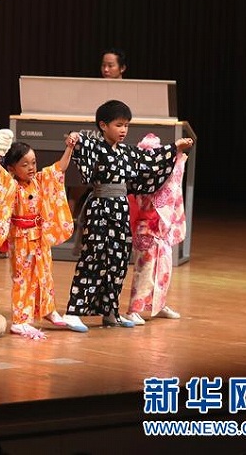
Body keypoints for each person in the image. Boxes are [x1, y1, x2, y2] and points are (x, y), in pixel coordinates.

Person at [62, 100, 193, 331]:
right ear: (103, 125)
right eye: (119, 125)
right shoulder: (97, 146)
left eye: (126, 125)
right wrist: (74, 137)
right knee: (94, 258)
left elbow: (151, 161)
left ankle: (110, 311)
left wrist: (175, 148)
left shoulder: (126, 152)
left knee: (118, 261)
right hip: (101, 209)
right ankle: (74, 311)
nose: (123, 130)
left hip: (120, 209)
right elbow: (82, 143)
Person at [0, 135, 79, 339]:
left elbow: (58, 169)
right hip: (21, 238)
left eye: (33, 162)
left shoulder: (40, 180)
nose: (31, 167)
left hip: (40, 236)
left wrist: (69, 148)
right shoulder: (11, 184)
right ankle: (20, 320)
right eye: (24, 164)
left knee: (45, 273)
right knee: (23, 278)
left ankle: (47, 310)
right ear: (12, 168)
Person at [124, 133, 189, 325]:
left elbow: (173, 176)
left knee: (164, 268)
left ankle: (158, 305)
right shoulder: (143, 174)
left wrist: (178, 157)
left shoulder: (162, 170)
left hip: (162, 227)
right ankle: (133, 309)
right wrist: (177, 154)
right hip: (147, 226)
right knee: (145, 270)